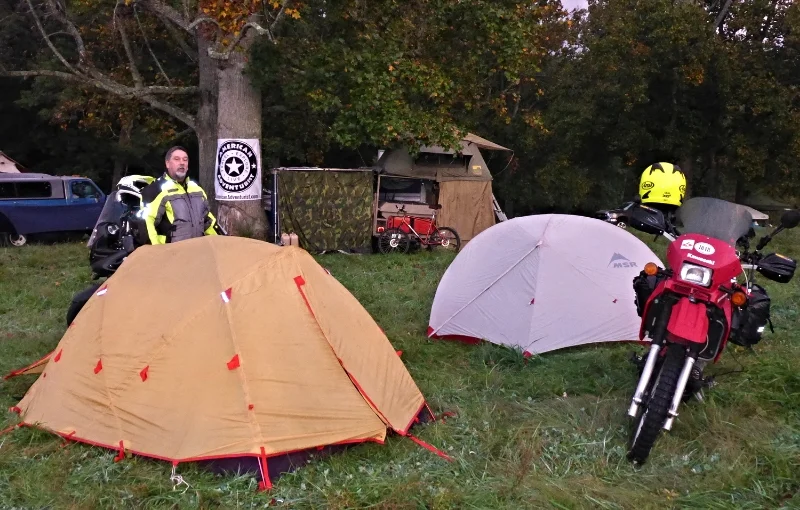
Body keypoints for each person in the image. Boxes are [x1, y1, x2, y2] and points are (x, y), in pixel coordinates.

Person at [139, 146, 221, 244]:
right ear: (167, 163)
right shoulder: (155, 190)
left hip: (198, 250)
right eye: (177, 159)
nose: (182, 163)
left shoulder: (196, 187)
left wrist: (220, 242)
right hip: (172, 253)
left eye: (185, 160)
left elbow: (207, 220)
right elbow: (147, 224)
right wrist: (157, 251)